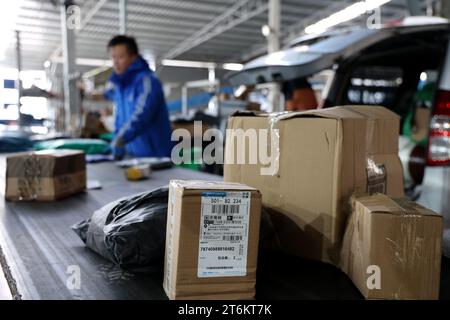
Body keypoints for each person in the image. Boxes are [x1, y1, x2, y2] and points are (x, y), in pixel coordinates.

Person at [105, 35, 172, 160]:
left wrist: (121, 138)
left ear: (133, 57)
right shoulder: (121, 87)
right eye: (113, 57)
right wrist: (117, 138)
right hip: (133, 155)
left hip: (155, 156)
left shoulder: (147, 82)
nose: (116, 62)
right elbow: (120, 118)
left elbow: (141, 115)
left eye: (120, 57)